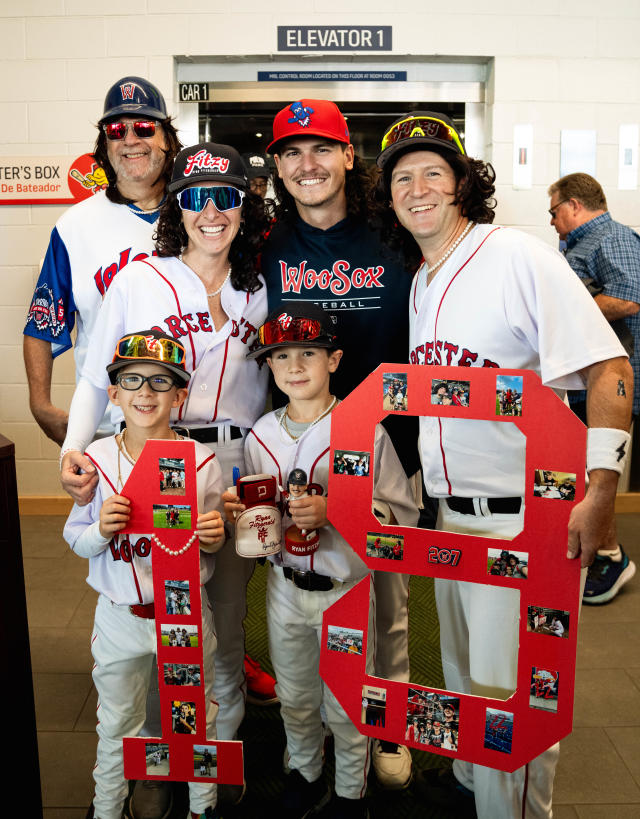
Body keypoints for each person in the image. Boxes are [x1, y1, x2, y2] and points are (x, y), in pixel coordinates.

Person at [375, 110, 632, 819]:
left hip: (522, 520)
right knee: (467, 686)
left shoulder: (515, 255)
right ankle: (472, 792)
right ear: (389, 198)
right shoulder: (423, 279)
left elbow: (610, 367)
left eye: (434, 171)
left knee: (508, 702)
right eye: (402, 177)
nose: (418, 187)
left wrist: (603, 491)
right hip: (453, 518)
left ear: (462, 183)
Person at [58, 142, 273, 804]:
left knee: (223, 620)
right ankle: (152, 765)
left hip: (230, 464)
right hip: (154, 456)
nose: (211, 210)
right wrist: (73, 445)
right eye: (196, 196)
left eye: (226, 196)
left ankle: (212, 768)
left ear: (244, 205)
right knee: (149, 600)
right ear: (179, 205)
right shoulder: (138, 277)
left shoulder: (259, 287)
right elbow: (99, 377)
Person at [261, 99, 419, 788]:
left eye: (321, 148)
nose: (308, 164)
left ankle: (385, 722)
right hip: (302, 444)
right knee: (305, 584)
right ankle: (311, 724)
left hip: (391, 441)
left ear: (350, 156)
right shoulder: (263, 244)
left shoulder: (395, 235)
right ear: (277, 166)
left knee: (386, 598)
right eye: (292, 152)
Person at [223, 303, 419, 818]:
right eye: (280, 356)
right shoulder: (261, 433)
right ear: (268, 366)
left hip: (345, 589)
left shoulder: (362, 429)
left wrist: (338, 511)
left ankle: (352, 792)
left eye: (308, 352)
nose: (294, 365)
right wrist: (242, 511)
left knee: (349, 701)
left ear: (333, 360)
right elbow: (257, 516)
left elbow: (401, 516)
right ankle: (306, 773)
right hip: (285, 586)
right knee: (295, 694)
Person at [63, 330, 225, 819]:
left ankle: (203, 807)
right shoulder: (94, 459)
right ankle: (107, 807)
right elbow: (76, 538)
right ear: (113, 394)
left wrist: (214, 538)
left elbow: (210, 549)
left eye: (161, 381)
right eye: (131, 381)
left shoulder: (201, 462)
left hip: (183, 615)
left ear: (179, 396)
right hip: (119, 616)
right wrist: (101, 531)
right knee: (117, 723)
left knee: (195, 719)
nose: (146, 392)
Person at [24, 75, 181, 446]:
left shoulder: (198, 213)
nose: (130, 140)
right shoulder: (75, 225)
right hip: (112, 427)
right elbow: (40, 325)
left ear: (167, 140)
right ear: (104, 144)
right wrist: (40, 404)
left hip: (192, 420)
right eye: (116, 130)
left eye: (144, 127)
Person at [548, 172, 638, 603]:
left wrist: (568, 308)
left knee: (598, 470)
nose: (551, 221)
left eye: (554, 212)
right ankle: (606, 550)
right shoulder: (581, 242)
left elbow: (630, 297)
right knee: (591, 467)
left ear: (574, 205)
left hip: (613, 377)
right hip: (589, 376)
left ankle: (611, 556)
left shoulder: (610, 237)